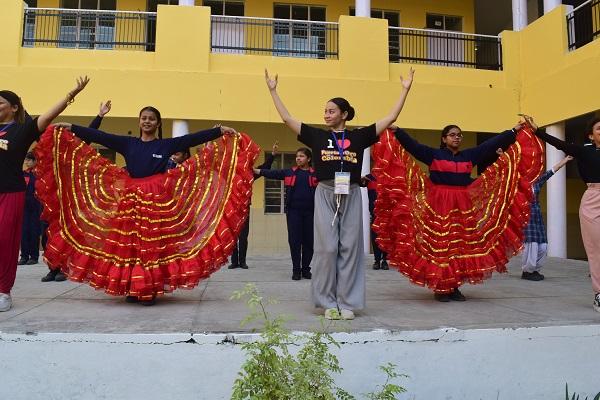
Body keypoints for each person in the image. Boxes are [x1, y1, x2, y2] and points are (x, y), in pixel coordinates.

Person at [38, 106, 256, 306]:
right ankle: (133, 288)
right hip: (130, 202)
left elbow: (192, 138)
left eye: (151, 119)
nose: (147, 121)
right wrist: (71, 127)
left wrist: (219, 132)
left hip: (156, 203)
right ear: (139, 122)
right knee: (130, 247)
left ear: (158, 123)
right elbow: (101, 137)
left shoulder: (167, 144)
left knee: (153, 248)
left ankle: (149, 289)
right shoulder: (128, 143)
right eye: (144, 118)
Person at [265, 67, 414, 320]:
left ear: (344, 114)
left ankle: (347, 303)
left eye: (331, 111)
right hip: (324, 193)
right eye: (325, 111)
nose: (326, 115)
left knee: (351, 249)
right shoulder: (317, 136)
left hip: (353, 193)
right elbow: (287, 119)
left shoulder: (359, 137)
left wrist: (405, 89)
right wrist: (273, 91)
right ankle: (326, 302)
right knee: (327, 249)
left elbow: (390, 117)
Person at [372, 120, 544, 302]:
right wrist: (398, 131)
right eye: (452, 135)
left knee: (460, 247)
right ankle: (440, 287)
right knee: (441, 247)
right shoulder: (433, 155)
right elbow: (413, 146)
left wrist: (513, 131)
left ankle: (453, 287)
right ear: (444, 138)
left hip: (462, 206)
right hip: (439, 205)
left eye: (459, 135)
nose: (457, 137)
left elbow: (490, 145)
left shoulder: (469, 156)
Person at [0, 76, 89, 312]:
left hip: (11, 191)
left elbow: (48, 117)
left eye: (0, 103)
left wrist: (72, 94)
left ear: (14, 107)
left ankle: (3, 291)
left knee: (5, 241)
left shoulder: (22, 129)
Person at [531, 115, 600, 312]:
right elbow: (558, 143)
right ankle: (599, 294)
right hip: (593, 199)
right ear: (591, 135)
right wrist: (537, 131)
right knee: (596, 250)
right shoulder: (583, 151)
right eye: (599, 129)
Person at [254, 147, 317, 280]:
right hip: (293, 213)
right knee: (294, 241)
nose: (298, 158)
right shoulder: (290, 172)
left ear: (309, 159)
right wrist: (256, 170)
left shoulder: (315, 174)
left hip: (311, 213)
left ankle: (306, 269)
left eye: (301, 156)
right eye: (297, 156)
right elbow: (272, 173)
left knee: (309, 242)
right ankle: (296, 270)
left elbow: (331, 179)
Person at [522, 155, 572, 281]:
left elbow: (551, 172)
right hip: (526, 217)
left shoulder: (536, 182)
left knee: (543, 246)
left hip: (537, 216)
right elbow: (508, 170)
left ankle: (535, 270)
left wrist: (564, 161)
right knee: (531, 245)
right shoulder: (517, 183)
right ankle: (527, 271)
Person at [228, 141, 278, 270]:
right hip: (231, 209)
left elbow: (264, 168)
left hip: (244, 209)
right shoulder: (228, 175)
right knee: (233, 237)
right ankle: (234, 262)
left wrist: (272, 155)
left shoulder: (249, 174)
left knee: (243, 237)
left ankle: (242, 261)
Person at [18, 152, 42, 266]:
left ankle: (34, 256)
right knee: (24, 231)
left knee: (34, 231)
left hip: (36, 206)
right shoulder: (23, 174)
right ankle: (24, 256)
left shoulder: (39, 174)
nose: (26, 162)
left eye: (29, 160)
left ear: (35, 161)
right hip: (24, 206)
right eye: (25, 160)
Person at [361, 173, 388, 270]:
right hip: (375, 213)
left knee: (386, 237)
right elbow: (361, 183)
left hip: (387, 213)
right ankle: (377, 260)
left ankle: (384, 260)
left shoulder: (388, 176)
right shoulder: (370, 177)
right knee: (375, 237)